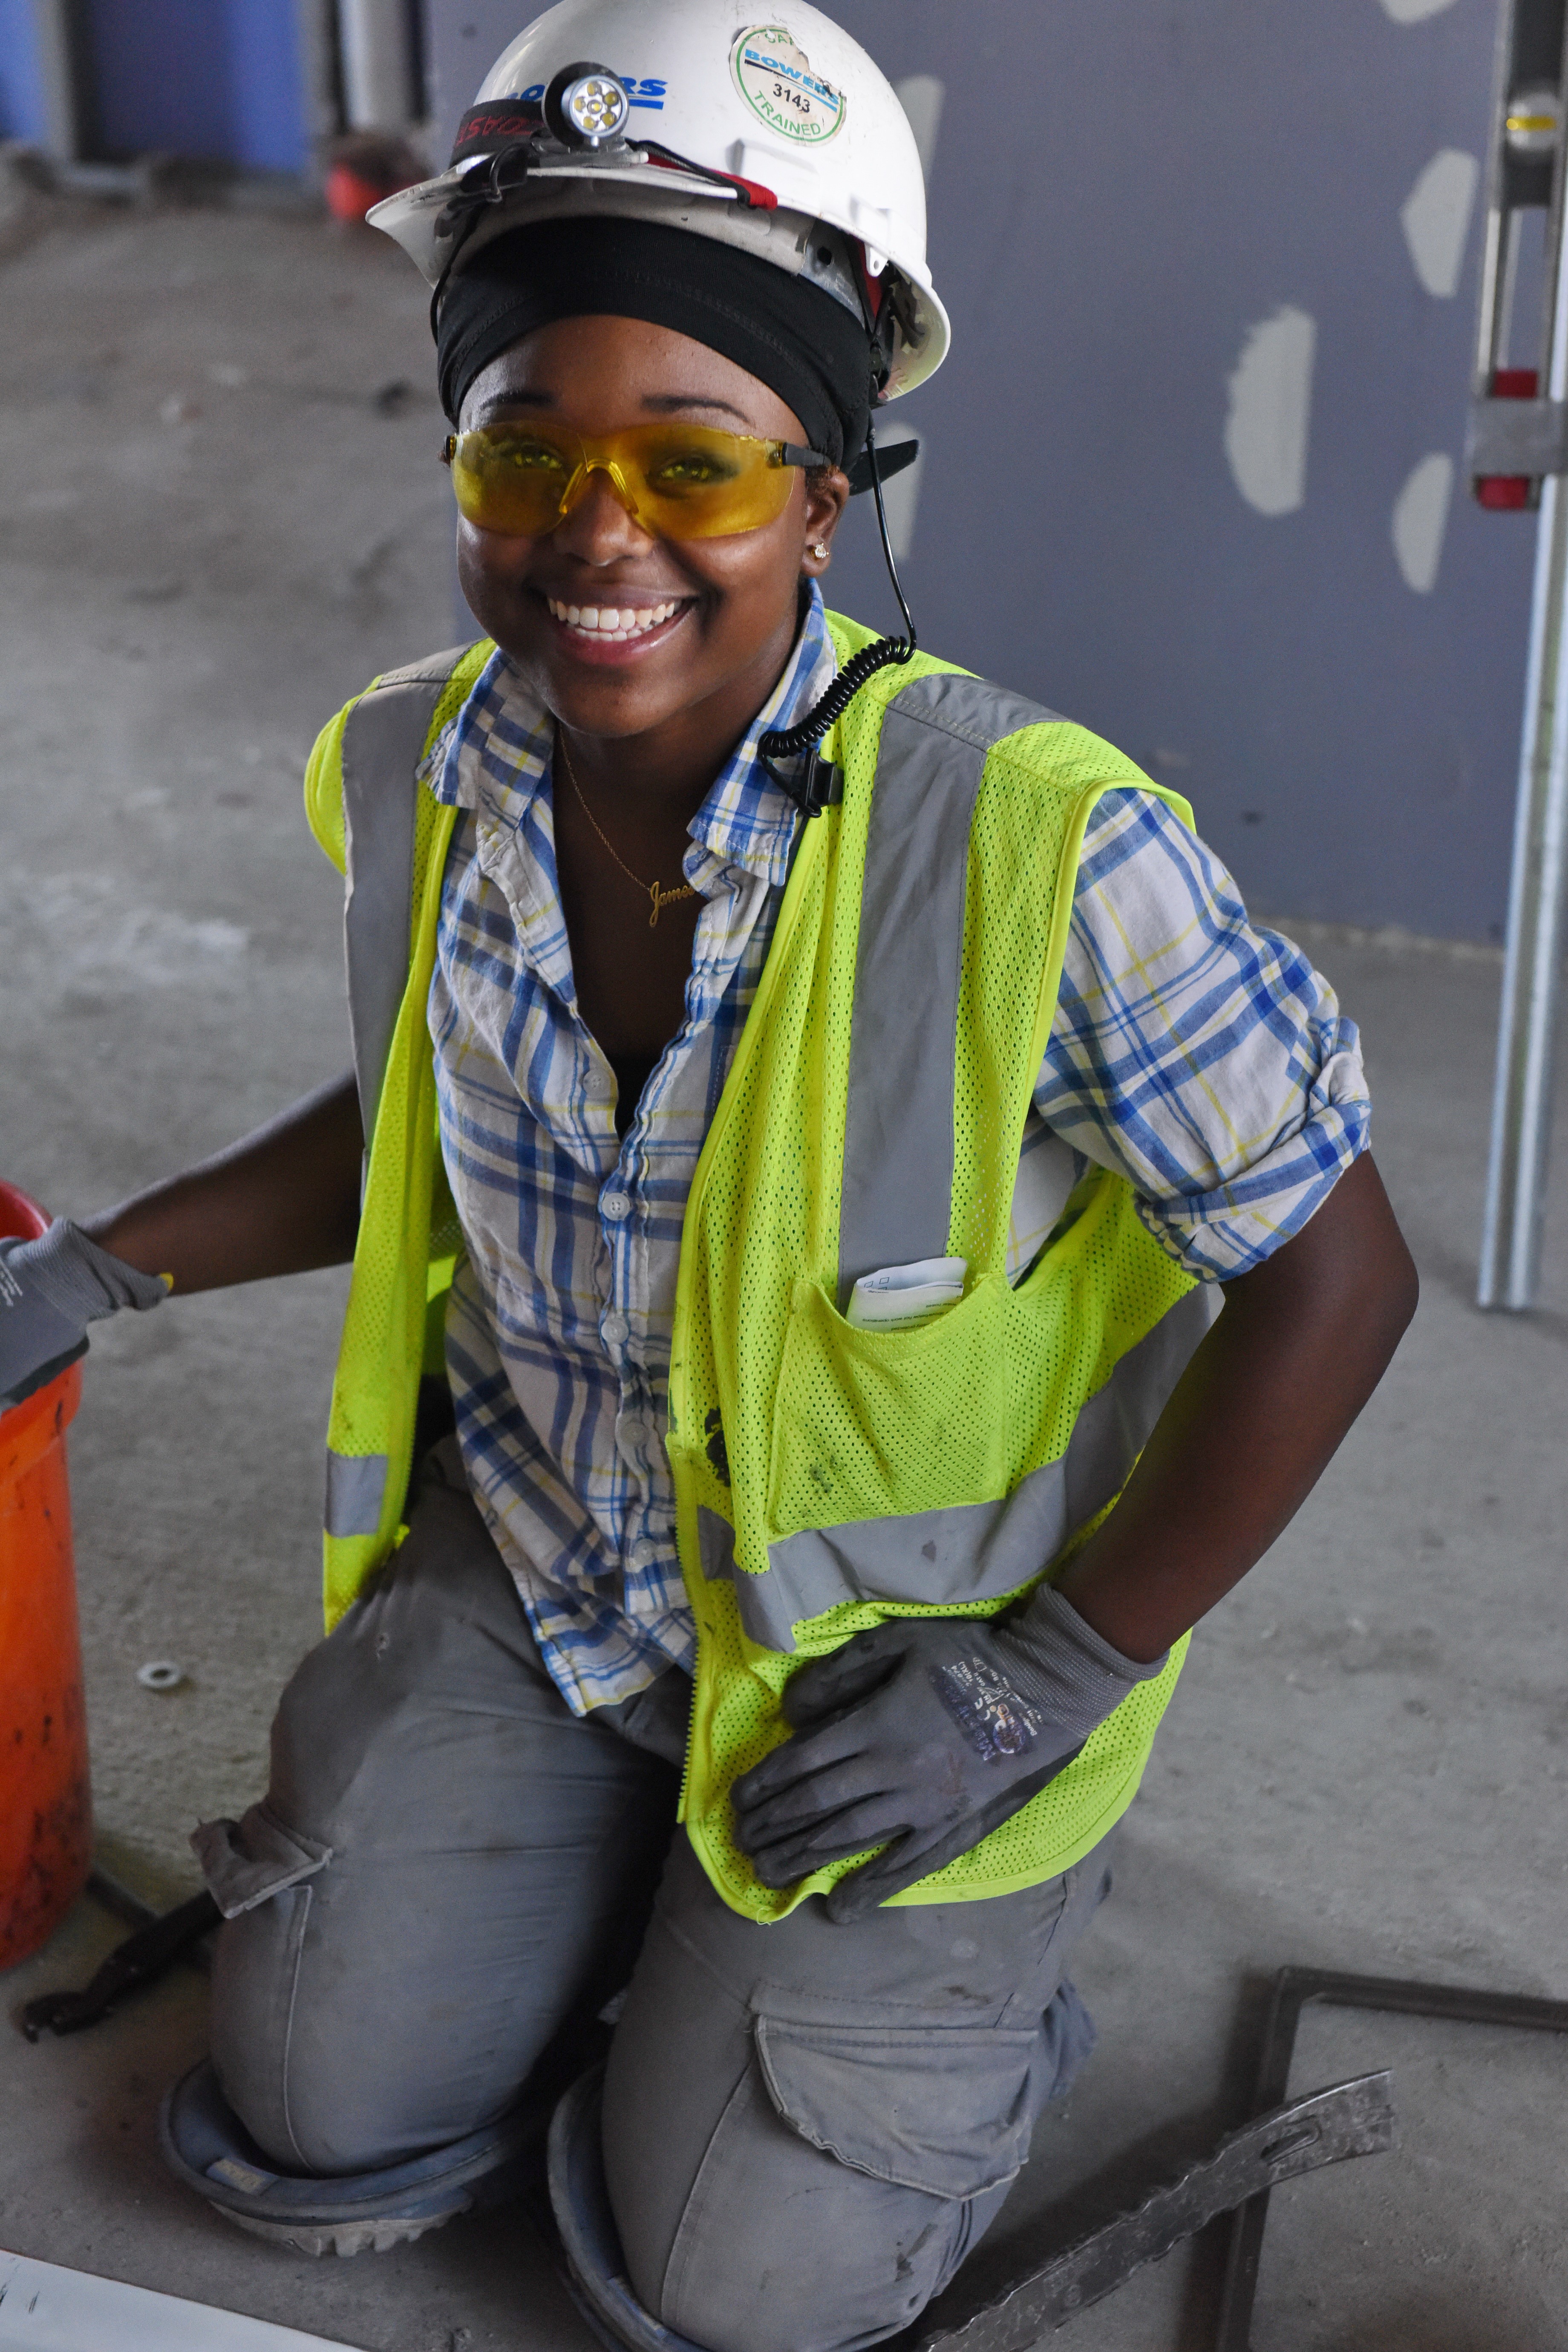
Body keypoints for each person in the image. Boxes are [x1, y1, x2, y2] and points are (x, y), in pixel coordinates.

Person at [0, 5, 1418, 2346]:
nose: (599, 539)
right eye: (522, 451)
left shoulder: (1047, 850)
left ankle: (934, 1997)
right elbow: (429, 1126)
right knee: (308, 2130)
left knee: (751, 2293)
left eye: (697, 462)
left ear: (826, 491)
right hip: (553, 1571)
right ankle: (629, 1926)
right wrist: (107, 1273)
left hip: (891, 1664)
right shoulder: (419, 773)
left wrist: (1048, 1669)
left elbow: (1336, 1280)